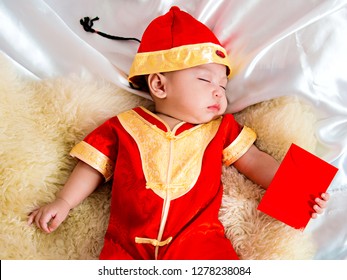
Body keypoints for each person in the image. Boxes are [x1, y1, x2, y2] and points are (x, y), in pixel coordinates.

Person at [28, 6, 329, 260]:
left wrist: (303, 192)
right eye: (204, 79)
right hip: (126, 248)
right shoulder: (124, 126)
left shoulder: (219, 130)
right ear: (159, 85)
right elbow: (92, 165)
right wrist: (64, 202)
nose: (218, 92)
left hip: (200, 244)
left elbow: (254, 160)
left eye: (223, 87)